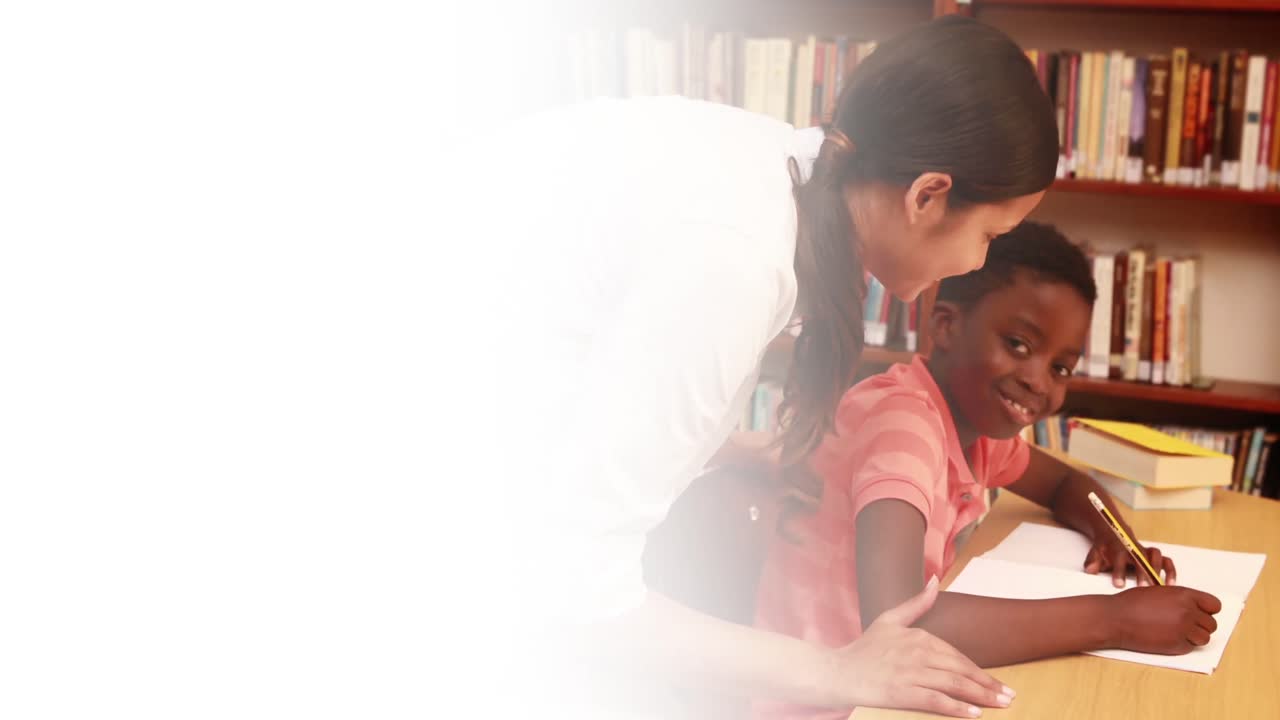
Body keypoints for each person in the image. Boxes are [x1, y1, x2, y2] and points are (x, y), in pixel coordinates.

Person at [479, 15, 1060, 720]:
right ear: (927, 196)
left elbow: (591, 376)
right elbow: (579, 591)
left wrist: (736, 449)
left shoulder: (784, 177)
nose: (977, 262)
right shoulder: (736, 262)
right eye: (990, 235)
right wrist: (840, 670)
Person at [753, 223, 1223, 720]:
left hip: (882, 696)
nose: (1038, 382)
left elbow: (1065, 484)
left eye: (1061, 368)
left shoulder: (972, 427)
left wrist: (1112, 535)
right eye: (1018, 344)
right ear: (947, 326)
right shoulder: (903, 425)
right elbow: (898, 623)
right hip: (822, 707)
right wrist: (1114, 619)